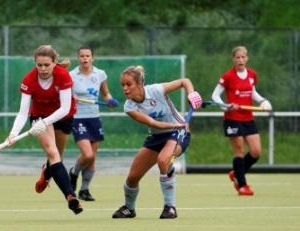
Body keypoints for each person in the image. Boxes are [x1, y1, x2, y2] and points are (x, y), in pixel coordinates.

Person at [111, 65, 202, 219]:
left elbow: (184, 81)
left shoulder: (156, 90)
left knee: (163, 161)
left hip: (178, 133)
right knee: (133, 177)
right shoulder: (129, 107)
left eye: (129, 84)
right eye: (123, 85)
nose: (125, 89)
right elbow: (154, 123)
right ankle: (129, 208)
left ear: (139, 84)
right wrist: (176, 123)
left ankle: (170, 207)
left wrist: (191, 93)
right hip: (158, 135)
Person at [7, 44, 82, 215]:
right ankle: (71, 197)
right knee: (53, 152)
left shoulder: (63, 76)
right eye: (39, 65)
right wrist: (13, 134)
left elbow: (64, 108)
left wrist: (47, 122)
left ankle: (46, 173)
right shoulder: (28, 80)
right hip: (39, 116)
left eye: (47, 65)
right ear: (35, 63)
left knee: (57, 157)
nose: (42, 69)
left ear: (54, 63)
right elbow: (22, 112)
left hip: (63, 116)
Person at [211, 46, 272, 196]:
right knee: (239, 151)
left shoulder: (252, 75)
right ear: (233, 59)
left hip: (248, 118)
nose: (240, 60)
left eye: (243, 57)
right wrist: (225, 106)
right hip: (232, 119)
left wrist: (263, 101)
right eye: (237, 57)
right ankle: (243, 185)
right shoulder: (228, 76)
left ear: (247, 58)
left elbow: (253, 93)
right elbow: (215, 96)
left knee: (256, 152)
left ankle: (237, 173)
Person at [68, 46, 119, 202]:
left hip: (94, 118)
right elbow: (63, 95)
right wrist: (70, 98)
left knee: (92, 158)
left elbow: (105, 93)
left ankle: (84, 190)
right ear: (78, 58)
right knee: (87, 154)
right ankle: (74, 172)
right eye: (82, 56)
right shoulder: (71, 76)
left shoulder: (100, 74)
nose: (85, 58)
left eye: (87, 56)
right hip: (77, 118)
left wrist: (109, 100)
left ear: (92, 58)